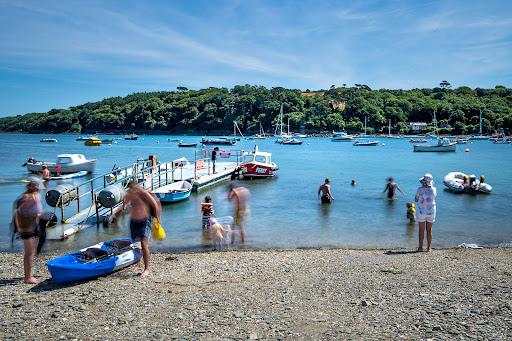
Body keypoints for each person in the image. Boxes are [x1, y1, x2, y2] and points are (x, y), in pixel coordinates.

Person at [119, 180, 161, 278]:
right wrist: (119, 216)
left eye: (133, 189)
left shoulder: (144, 193)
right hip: (134, 221)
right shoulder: (129, 194)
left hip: (145, 220)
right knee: (135, 244)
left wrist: (158, 219)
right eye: (130, 189)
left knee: (143, 243)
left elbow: (154, 204)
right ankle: (138, 262)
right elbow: (124, 205)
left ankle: (146, 269)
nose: (132, 190)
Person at [13, 179, 43, 284]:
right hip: (27, 227)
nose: (39, 187)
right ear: (31, 186)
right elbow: (17, 212)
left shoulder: (35, 195)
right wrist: (19, 227)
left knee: (33, 251)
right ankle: (28, 278)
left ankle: (28, 274)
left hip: (34, 225)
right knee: (29, 253)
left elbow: (36, 211)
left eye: (39, 185)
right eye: (36, 185)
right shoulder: (26, 197)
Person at [415, 174, 436, 252]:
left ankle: (420, 247)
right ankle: (429, 248)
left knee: (421, 230)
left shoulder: (419, 189)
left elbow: (416, 199)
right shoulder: (434, 189)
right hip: (431, 211)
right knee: (429, 230)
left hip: (421, 211)